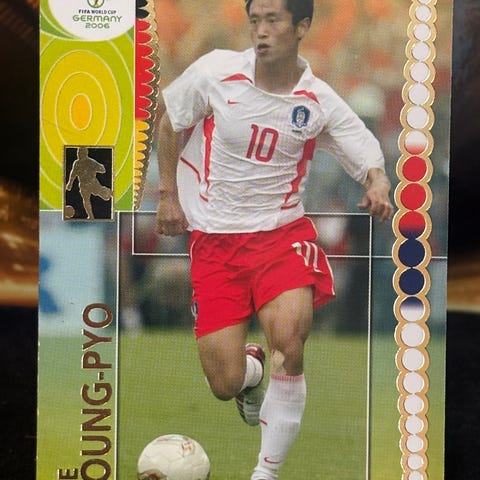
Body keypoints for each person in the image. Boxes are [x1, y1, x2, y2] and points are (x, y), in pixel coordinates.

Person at [155, 0, 394, 478]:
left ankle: (265, 472)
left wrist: (378, 182)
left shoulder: (317, 100)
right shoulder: (216, 72)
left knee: (290, 343)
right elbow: (169, 122)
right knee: (224, 383)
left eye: (273, 20)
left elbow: (363, 147)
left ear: (302, 26)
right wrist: (168, 197)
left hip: (280, 236)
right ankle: (251, 371)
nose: (261, 31)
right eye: (255, 21)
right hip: (215, 241)